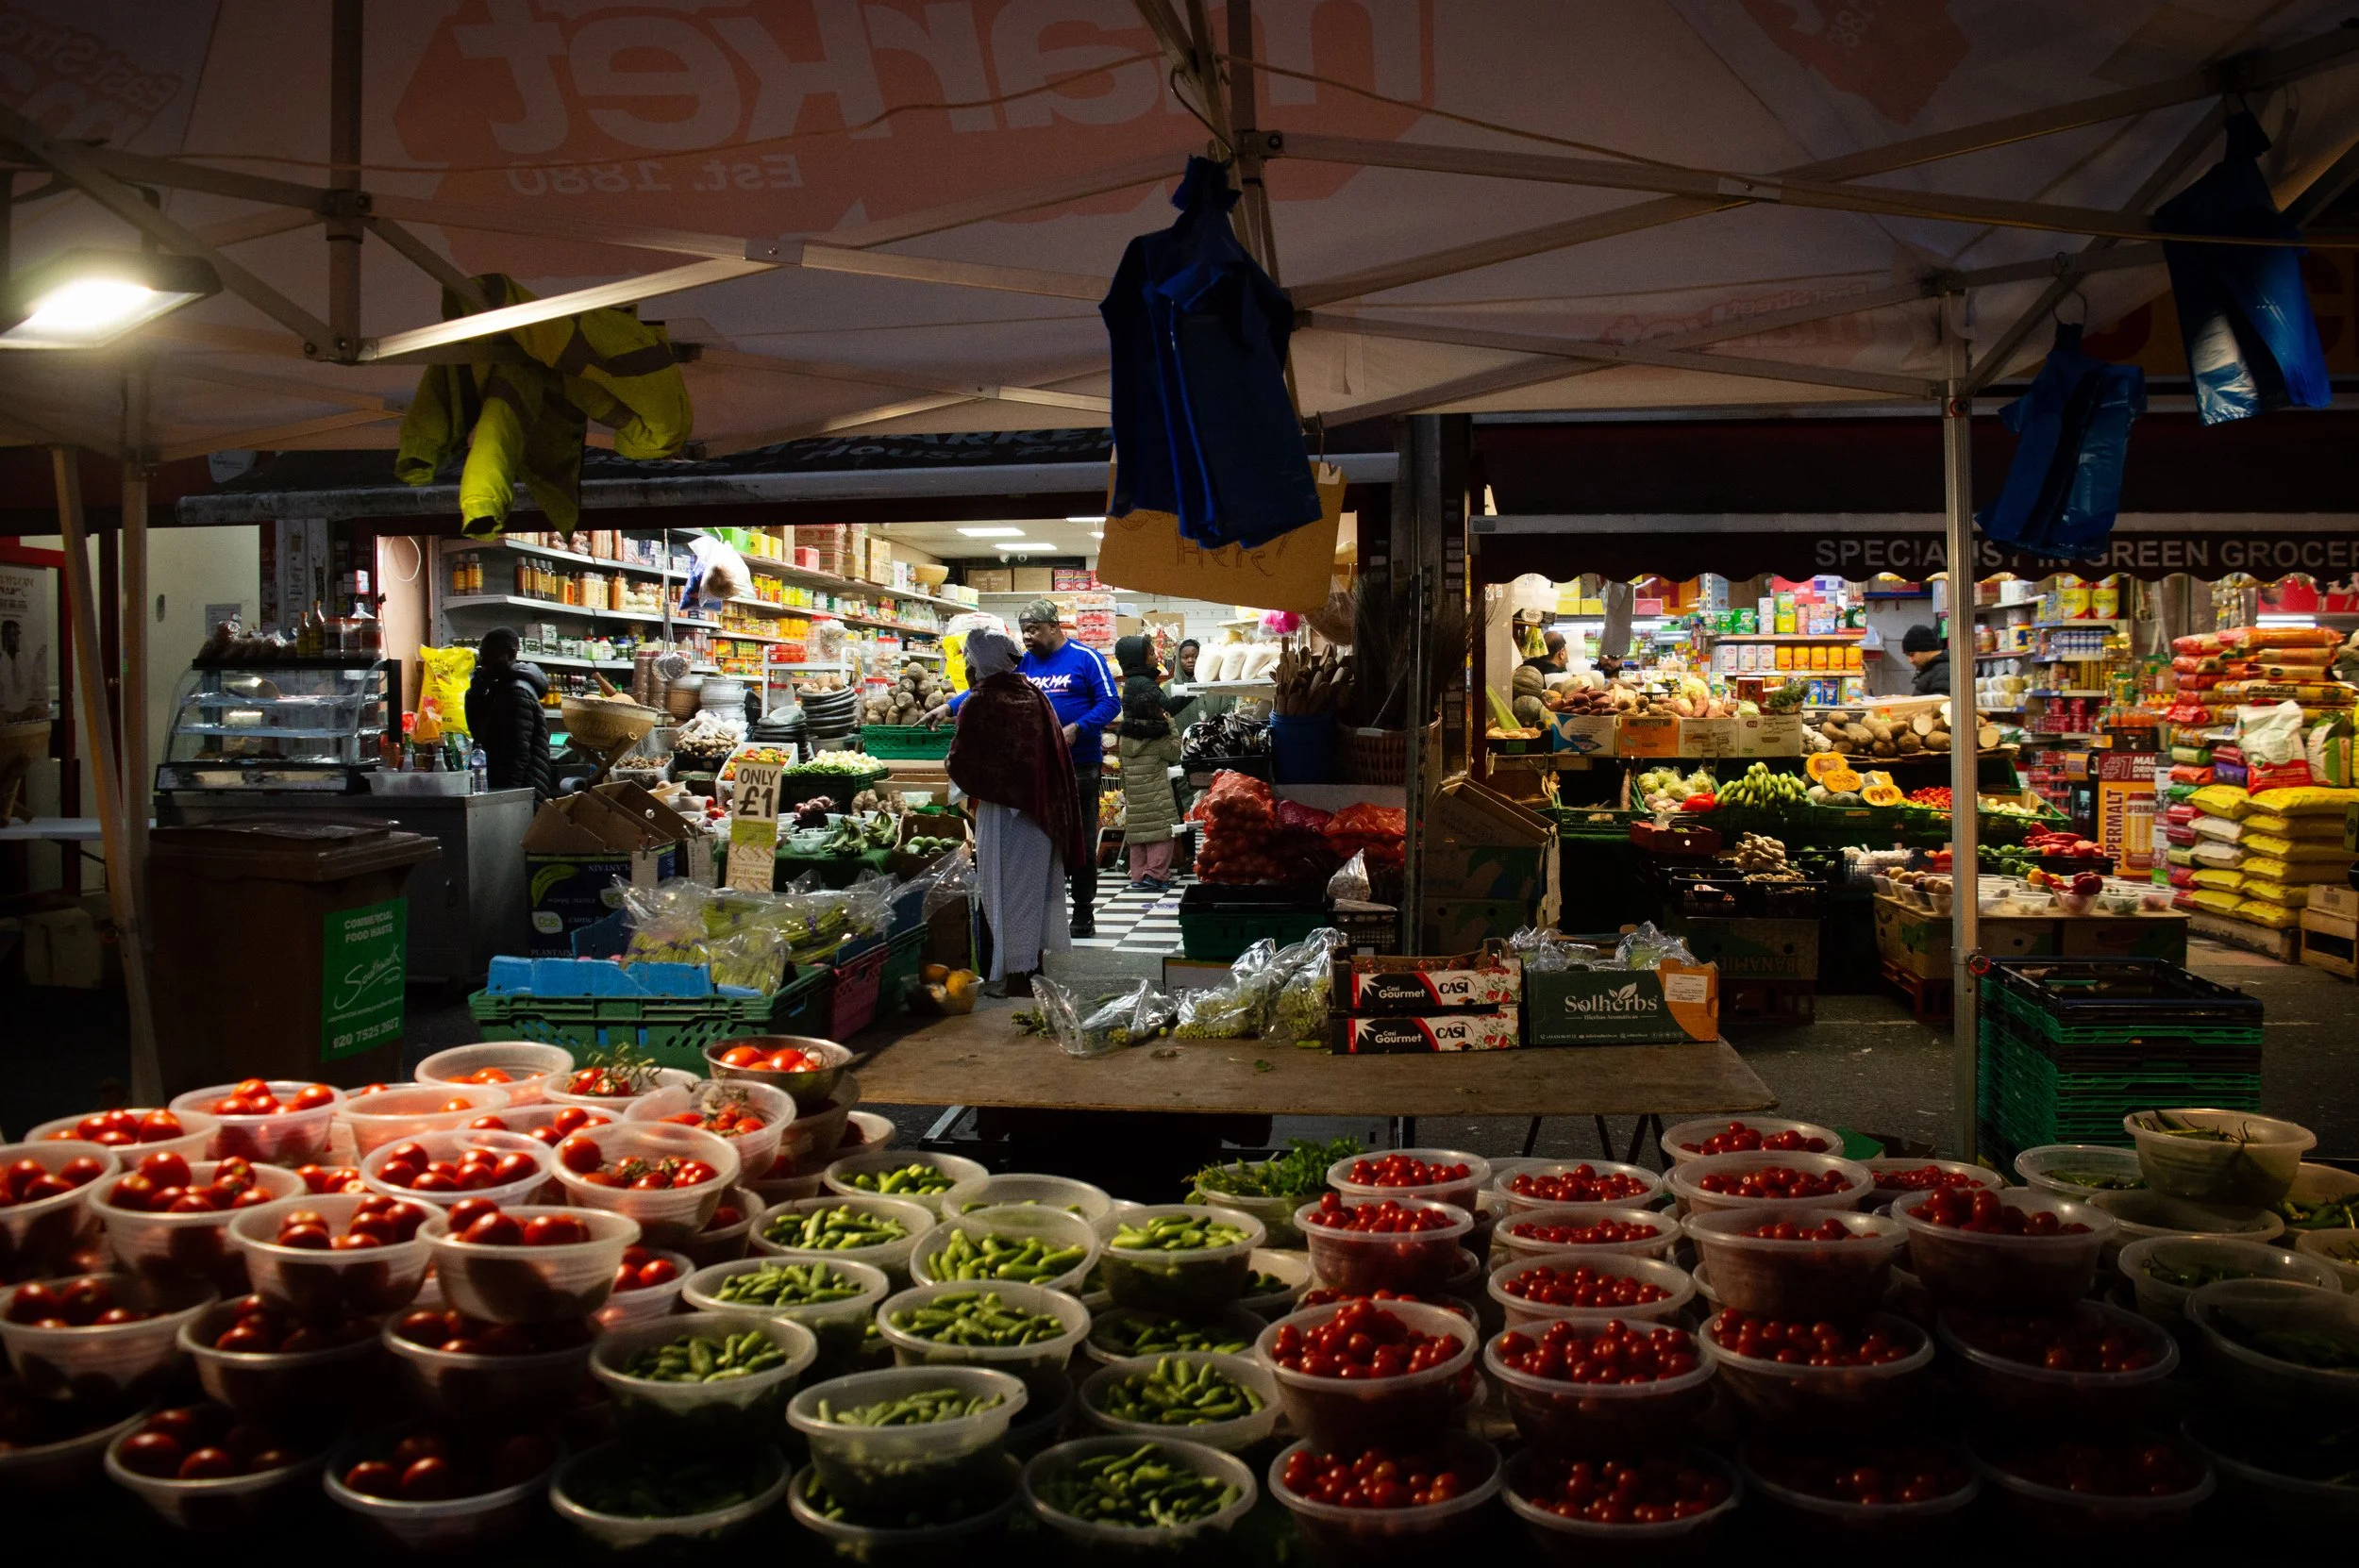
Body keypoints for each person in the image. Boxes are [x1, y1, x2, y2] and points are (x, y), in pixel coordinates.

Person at [940, 599, 1120, 935]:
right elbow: (988, 688)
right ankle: (1042, 914)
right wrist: (949, 707)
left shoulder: (1086, 658)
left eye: (1034, 629)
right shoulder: (1020, 664)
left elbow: (1110, 703)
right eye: (1024, 631)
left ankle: (1083, 912)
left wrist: (1078, 728)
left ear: (1055, 626)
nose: (1028, 637)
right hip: (1034, 769)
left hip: (1079, 764)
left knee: (1078, 837)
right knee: (1040, 838)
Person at [946, 629, 1081, 994]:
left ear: (980, 666)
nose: (968, 672)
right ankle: (1030, 967)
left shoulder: (982, 702)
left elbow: (962, 759)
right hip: (1039, 812)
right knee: (1033, 891)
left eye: (970, 664)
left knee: (1005, 892)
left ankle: (1017, 978)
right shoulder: (1032, 694)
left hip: (1004, 815)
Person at [1113, 636, 1186, 892]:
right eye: (1150, 651)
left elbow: (1122, 768)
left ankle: (1138, 876)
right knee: (1160, 829)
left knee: (1138, 832)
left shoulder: (1125, 738)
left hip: (1135, 794)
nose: (1155, 655)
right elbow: (1173, 752)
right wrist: (1172, 723)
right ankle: (1156, 875)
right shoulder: (1156, 737)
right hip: (1156, 793)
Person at [462, 627, 555, 800]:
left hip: (522, 793)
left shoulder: (517, 692)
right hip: (511, 789)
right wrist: (476, 692)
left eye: (490, 655)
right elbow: (477, 731)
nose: (483, 661)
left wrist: (508, 798)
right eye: (481, 655)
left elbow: (518, 754)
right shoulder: (500, 686)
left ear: (511, 653)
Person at [0, 617, 46, 719]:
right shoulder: (2, 660)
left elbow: (35, 687)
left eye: (17, 635)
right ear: (5, 637)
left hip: (24, 715)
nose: (16, 639)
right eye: (13, 635)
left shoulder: (25, 660)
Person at [1902, 625, 1951, 694]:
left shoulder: (1943, 672)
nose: (1910, 660)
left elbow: (1939, 703)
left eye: (1912, 654)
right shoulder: (1931, 669)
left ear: (1926, 649)